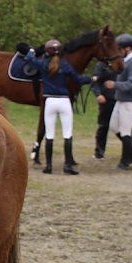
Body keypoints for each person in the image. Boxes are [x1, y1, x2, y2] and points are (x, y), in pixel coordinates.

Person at [25, 39, 95, 175]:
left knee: (49, 135)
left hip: (49, 102)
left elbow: (29, 59)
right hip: (64, 102)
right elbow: (79, 79)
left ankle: (49, 166)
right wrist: (92, 79)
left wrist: (32, 51)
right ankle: (68, 166)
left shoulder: (43, 65)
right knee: (67, 134)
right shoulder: (66, 66)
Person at [104, 33, 132, 170]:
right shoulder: (126, 60)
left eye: (120, 48)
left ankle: (125, 160)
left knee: (125, 131)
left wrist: (115, 85)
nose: (119, 51)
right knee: (114, 126)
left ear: (127, 48)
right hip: (122, 99)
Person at [90, 59, 117, 159]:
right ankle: (99, 152)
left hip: (120, 98)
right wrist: (98, 95)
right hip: (107, 99)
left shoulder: (121, 63)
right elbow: (94, 81)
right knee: (103, 126)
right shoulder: (102, 65)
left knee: (125, 126)